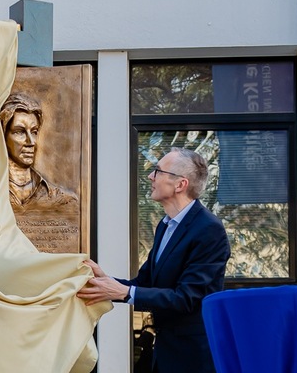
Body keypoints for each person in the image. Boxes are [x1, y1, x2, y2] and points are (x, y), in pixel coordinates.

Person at [77, 147, 230, 373]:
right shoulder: (165, 226)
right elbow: (146, 283)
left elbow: (186, 298)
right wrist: (105, 282)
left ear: (180, 184)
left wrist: (124, 292)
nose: (150, 176)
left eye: (158, 171)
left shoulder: (209, 230)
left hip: (192, 357)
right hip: (165, 352)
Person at [0, 93, 77, 211]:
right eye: (19, 132)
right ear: (3, 135)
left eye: (34, 132)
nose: (31, 141)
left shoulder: (61, 199)